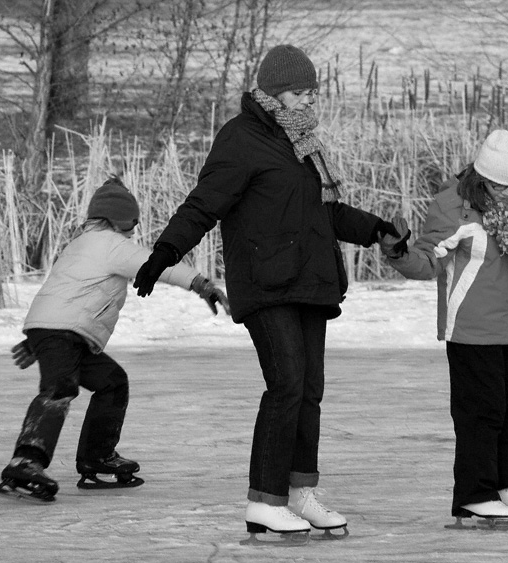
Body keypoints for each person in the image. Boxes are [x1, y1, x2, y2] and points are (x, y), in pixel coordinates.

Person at [132, 44, 401, 537]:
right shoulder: (242, 139)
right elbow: (204, 203)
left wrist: (376, 227)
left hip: (311, 282)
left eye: (312, 93)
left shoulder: (303, 143)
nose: (308, 102)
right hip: (266, 282)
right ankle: (265, 500)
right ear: (274, 92)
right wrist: (164, 253)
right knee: (287, 383)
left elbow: (326, 212)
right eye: (300, 93)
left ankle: (299, 493)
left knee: (309, 390)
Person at [379, 129, 508, 528]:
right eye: (497, 185)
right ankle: (475, 495)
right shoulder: (454, 207)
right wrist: (398, 252)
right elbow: (427, 260)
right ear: (481, 176)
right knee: (479, 414)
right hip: (470, 330)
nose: (504, 192)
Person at [0, 176, 229, 501]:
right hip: (64, 332)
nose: (134, 229)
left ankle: (97, 456)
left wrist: (38, 337)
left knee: (112, 383)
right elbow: (155, 265)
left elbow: (58, 292)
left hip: (61, 331)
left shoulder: (79, 243)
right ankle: (26, 461)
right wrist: (200, 283)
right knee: (59, 388)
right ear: (121, 219)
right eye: (133, 221)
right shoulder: (111, 244)